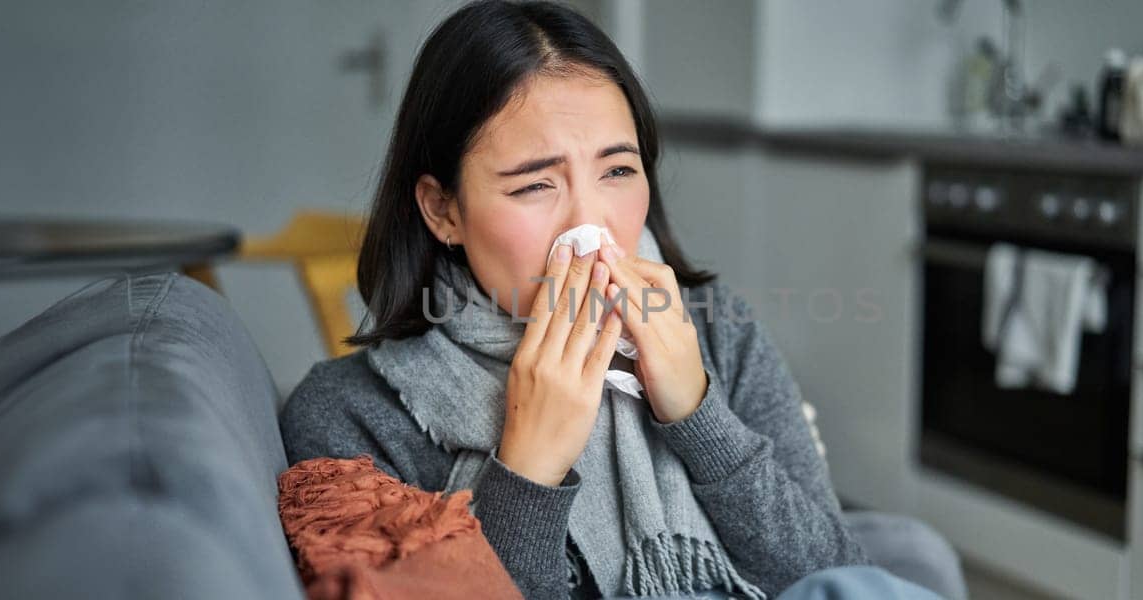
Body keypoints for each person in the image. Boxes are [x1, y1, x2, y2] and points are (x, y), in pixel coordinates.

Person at [279, 2, 954, 598]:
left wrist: (696, 413)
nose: (591, 229)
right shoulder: (350, 417)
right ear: (441, 209)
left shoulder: (717, 333)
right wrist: (527, 469)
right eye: (533, 186)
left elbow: (830, 570)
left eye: (618, 171)